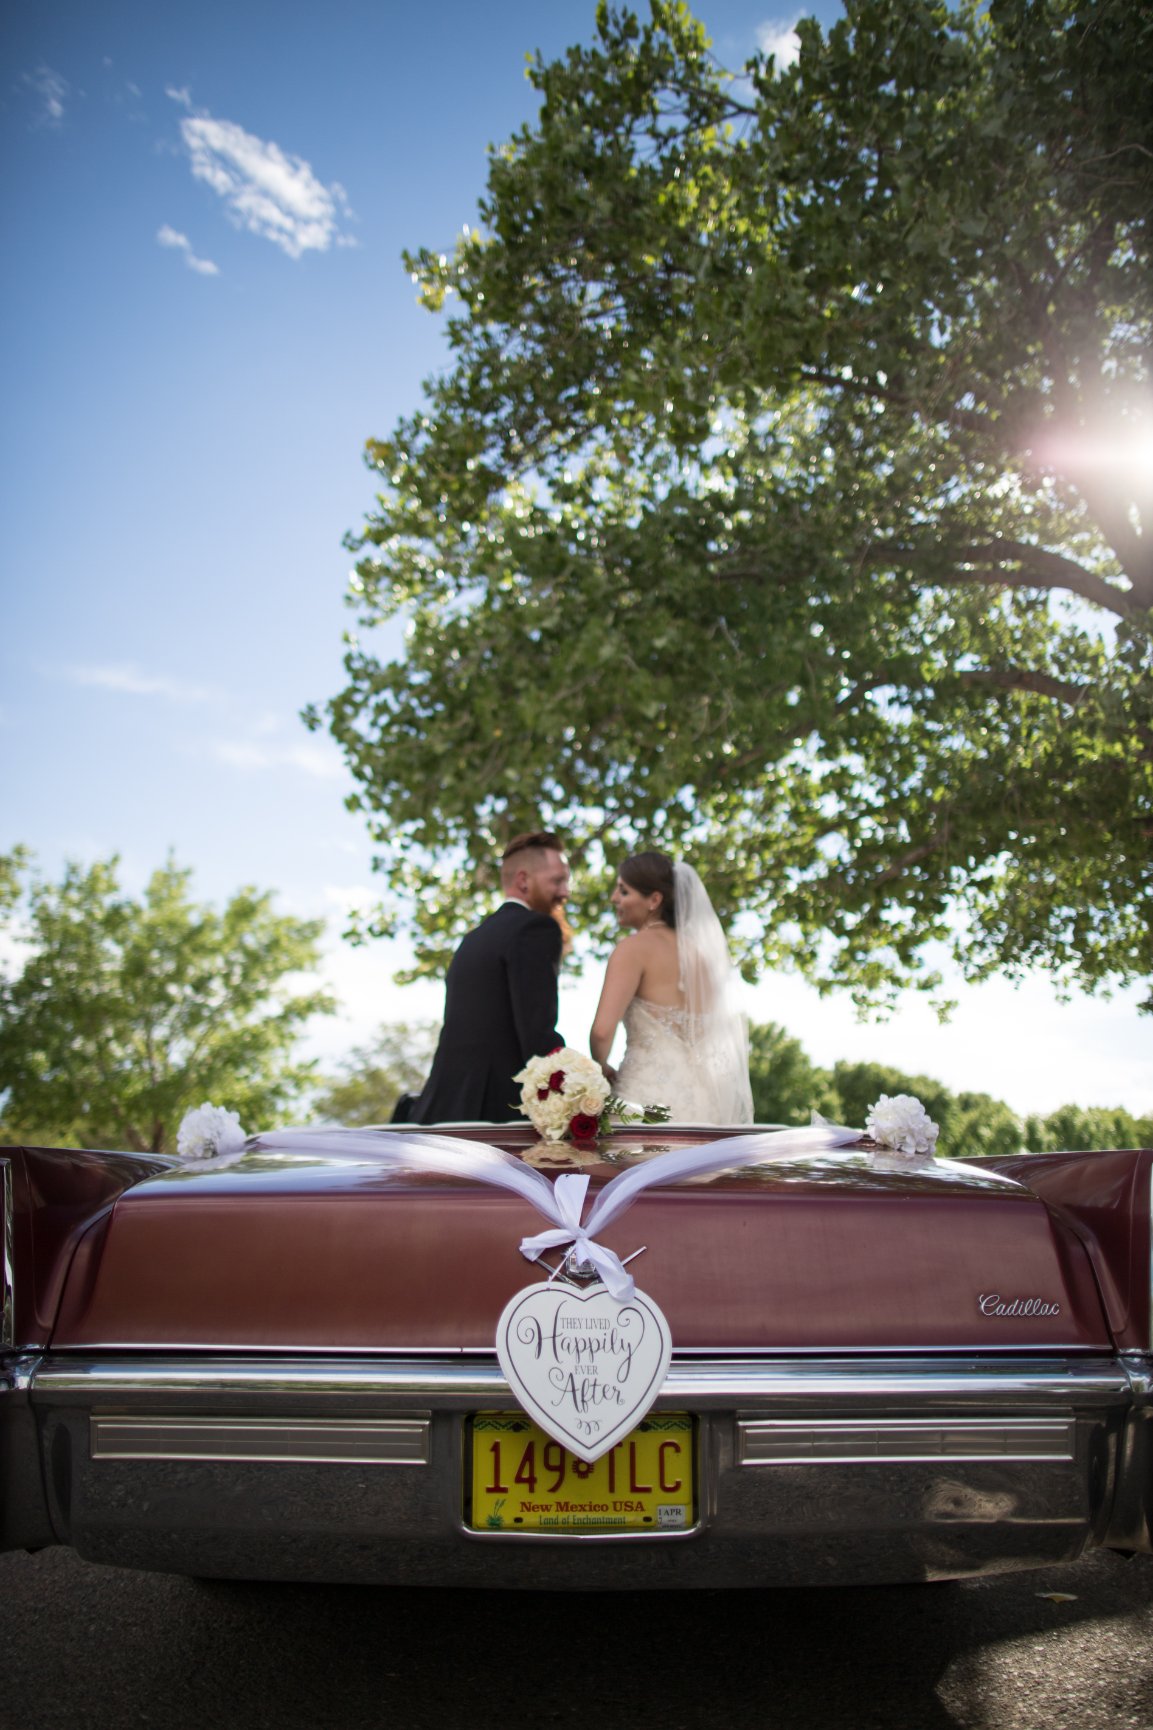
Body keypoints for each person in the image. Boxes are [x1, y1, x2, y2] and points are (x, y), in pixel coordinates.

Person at [409, 832, 570, 1124]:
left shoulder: (473, 938)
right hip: (498, 1112)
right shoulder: (535, 928)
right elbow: (537, 1032)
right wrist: (577, 1092)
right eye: (558, 880)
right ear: (524, 881)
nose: (565, 892)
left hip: (442, 1107)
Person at [589, 851, 753, 1124]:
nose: (614, 898)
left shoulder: (632, 948)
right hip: (704, 1108)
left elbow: (602, 1031)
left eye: (623, 891)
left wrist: (600, 1065)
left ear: (654, 900)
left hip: (644, 1103)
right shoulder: (703, 959)